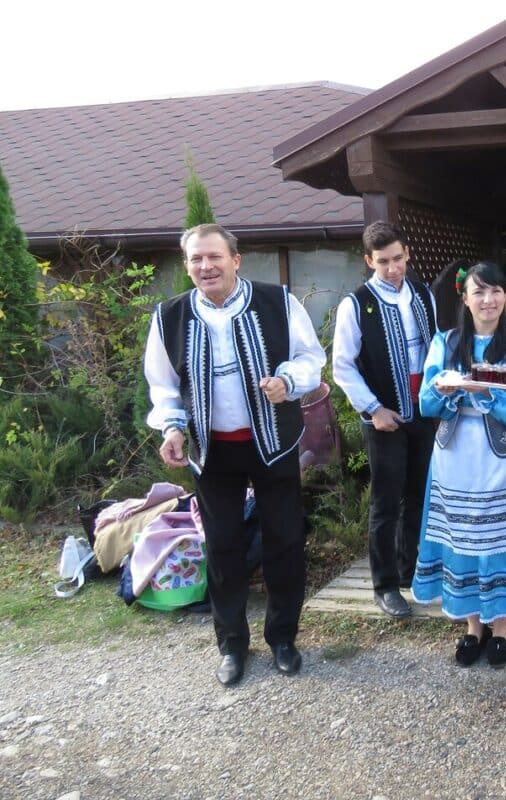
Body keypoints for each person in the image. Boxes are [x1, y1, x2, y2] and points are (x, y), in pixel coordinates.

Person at [144, 223, 326, 686]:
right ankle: (231, 645)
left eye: (215, 257)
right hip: (212, 452)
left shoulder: (277, 302)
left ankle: (283, 637)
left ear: (236, 260)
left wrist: (287, 381)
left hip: (273, 443)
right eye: (196, 259)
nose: (206, 266)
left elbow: (312, 358)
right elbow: (163, 385)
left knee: (285, 539)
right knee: (223, 546)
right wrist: (172, 427)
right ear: (187, 266)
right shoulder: (169, 316)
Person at [411, 261, 506, 667]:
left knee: (500, 539)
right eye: (479, 292)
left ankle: (500, 628)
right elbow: (426, 403)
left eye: (496, 290)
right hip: (455, 456)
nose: (489, 300)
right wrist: (448, 390)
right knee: (460, 536)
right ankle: (472, 626)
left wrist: (486, 392)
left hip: (504, 459)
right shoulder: (445, 342)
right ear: (464, 299)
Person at [332, 221, 438, 618]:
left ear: (407, 253)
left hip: (423, 413)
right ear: (368, 261)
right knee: (386, 502)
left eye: (397, 259)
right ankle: (385, 585)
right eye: (383, 262)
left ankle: (411, 571)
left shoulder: (423, 294)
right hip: (383, 417)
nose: (393, 268)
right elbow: (342, 366)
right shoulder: (356, 304)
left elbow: (435, 348)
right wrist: (373, 409)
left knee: (419, 496)